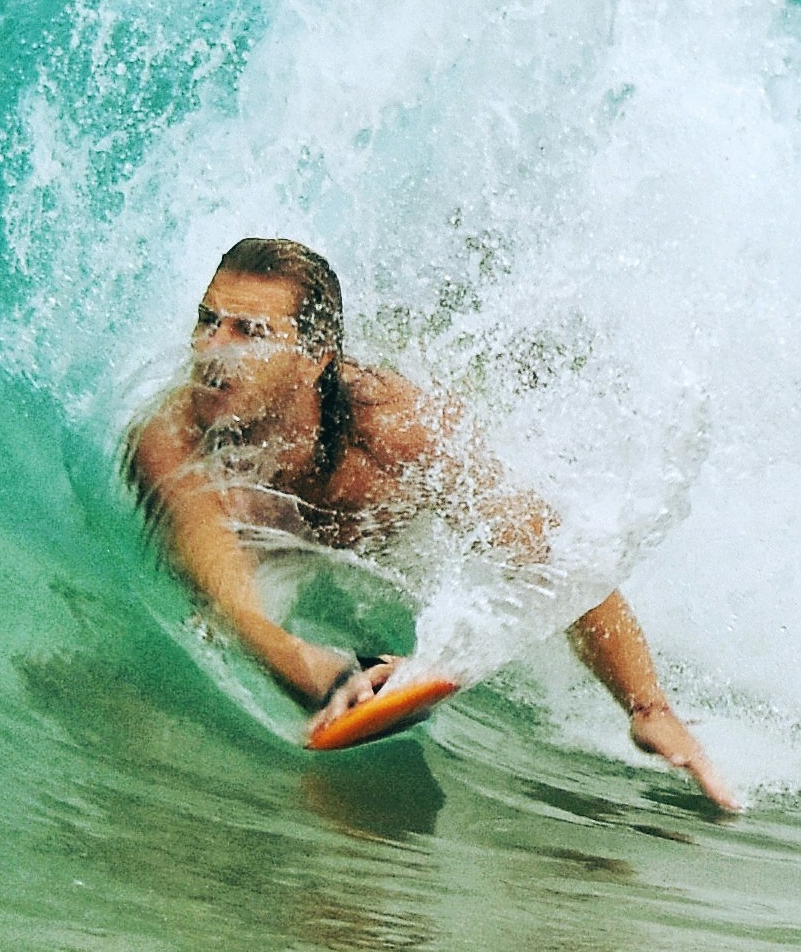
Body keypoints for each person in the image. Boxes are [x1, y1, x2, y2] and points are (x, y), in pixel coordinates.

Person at [119, 236, 742, 815]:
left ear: (314, 361)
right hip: (269, 545)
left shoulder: (392, 427)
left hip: (388, 533)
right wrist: (330, 672)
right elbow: (233, 603)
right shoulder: (174, 440)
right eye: (207, 321)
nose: (211, 350)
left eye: (249, 332)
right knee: (205, 630)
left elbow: (557, 562)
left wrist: (647, 706)